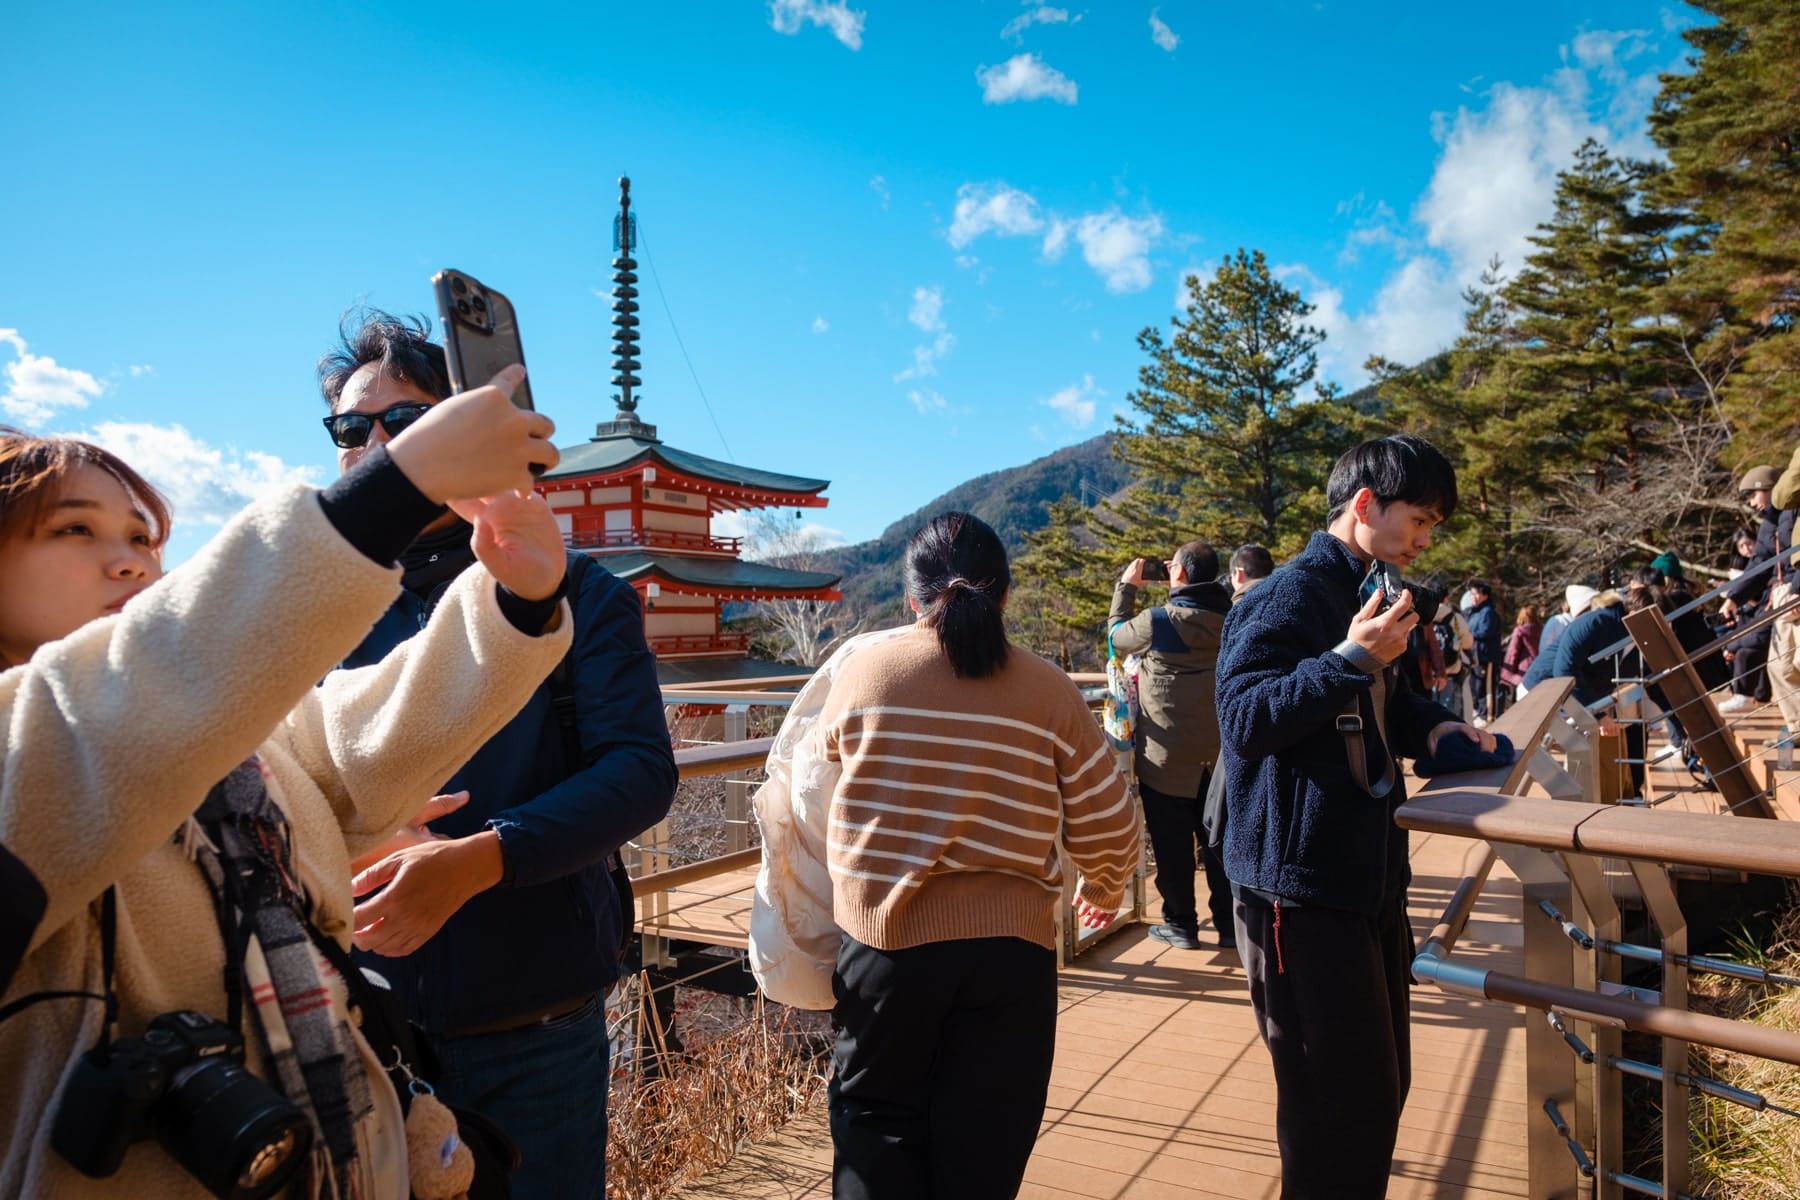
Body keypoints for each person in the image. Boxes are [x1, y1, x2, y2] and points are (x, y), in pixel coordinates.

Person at [0, 381, 573, 1197]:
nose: (129, 558)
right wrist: (392, 488)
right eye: (74, 529)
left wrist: (519, 600)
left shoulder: (232, 741)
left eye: (140, 534)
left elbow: (357, 735)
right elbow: (108, 713)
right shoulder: (36, 748)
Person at [319, 312, 677, 1199]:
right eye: (347, 428)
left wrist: (481, 859)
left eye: (400, 425)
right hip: (360, 1020)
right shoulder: (321, 607)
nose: (370, 445)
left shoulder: (575, 591)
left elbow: (639, 769)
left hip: (534, 1012)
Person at [810, 513, 1139, 1200]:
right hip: (1010, 953)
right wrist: (1105, 887)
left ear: (910, 598)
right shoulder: (1048, 689)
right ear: (1006, 596)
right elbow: (1108, 816)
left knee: (873, 1127)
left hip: (886, 949)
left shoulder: (864, 671)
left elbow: (818, 789)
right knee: (985, 1145)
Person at [1215, 434, 1488, 1200]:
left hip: (1363, 876)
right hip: (1294, 893)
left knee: (1377, 1089)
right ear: (1365, 505)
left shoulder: (1363, 589)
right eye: (1420, 518)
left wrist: (1436, 728)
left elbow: (1384, 702)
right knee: (1335, 1107)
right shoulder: (1285, 595)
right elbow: (1241, 718)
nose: (1427, 538)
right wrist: (1348, 659)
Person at [1111, 541, 1235, 950]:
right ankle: (1231, 926)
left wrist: (1126, 587)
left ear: (1178, 573)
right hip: (1221, 760)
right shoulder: (1233, 618)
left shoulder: (1157, 622)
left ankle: (1181, 925)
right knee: (1220, 845)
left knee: (1172, 847)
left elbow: (1115, 638)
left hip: (1165, 761)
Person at [1719, 466, 1794, 713]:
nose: (1750, 503)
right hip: (1781, 594)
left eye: (1752, 495)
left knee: (1791, 665)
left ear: (1768, 488)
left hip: (1792, 592)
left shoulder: (1793, 512)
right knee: (1779, 667)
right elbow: (1760, 563)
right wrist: (1734, 598)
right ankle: (1796, 731)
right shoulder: (1769, 523)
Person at [1464, 580, 1504, 720]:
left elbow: (1485, 632)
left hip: (1487, 657)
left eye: (1475, 594)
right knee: (1477, 688)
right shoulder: (1474, 612)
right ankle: (1482, 714)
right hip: (1477, 656)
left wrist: (1468, 635)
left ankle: (1488, 716)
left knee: (1487, 688)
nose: (1472, 597)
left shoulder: (1488, 613)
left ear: (1485, 595)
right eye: (1471, 594)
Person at [1500, 604, 1542, 699]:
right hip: (1538, 668)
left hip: (1523, 671)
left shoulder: (1520, 631)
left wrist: (1508, 673)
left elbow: (1513, 652)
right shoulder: (1541, 629)